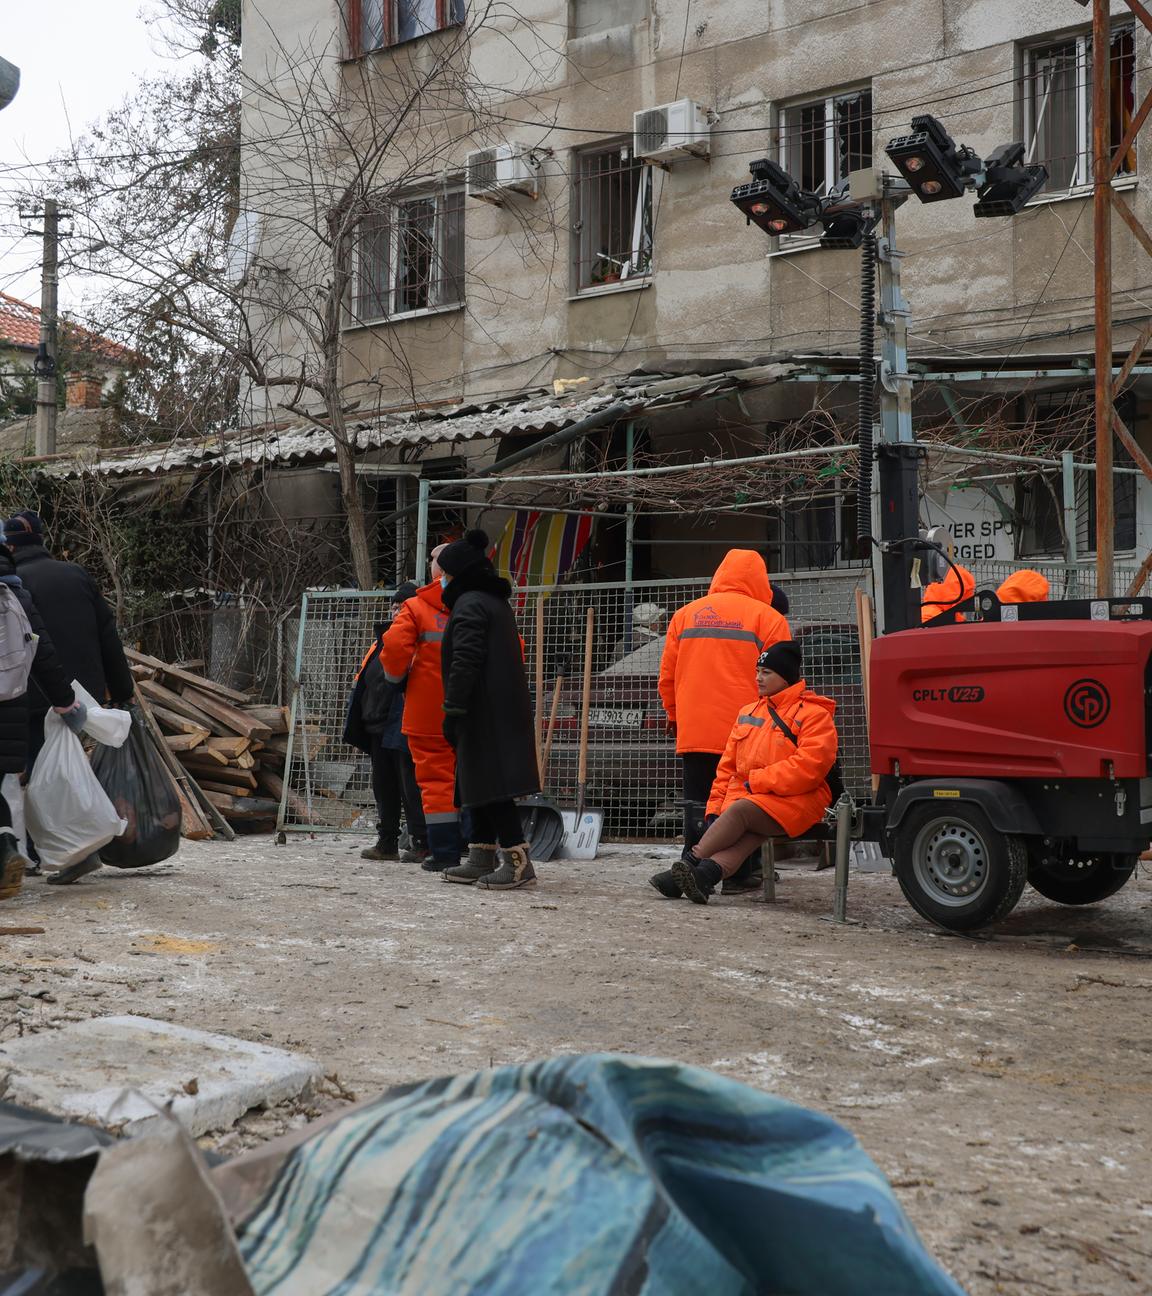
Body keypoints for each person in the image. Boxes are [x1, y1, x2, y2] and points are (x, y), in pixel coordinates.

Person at [652, 640, 838, 905]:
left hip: (800, 799)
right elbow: (727, 768)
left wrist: (758, 781)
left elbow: (810, 766)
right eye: (757, 671)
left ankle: (688, 862)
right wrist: (715, 809)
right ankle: (705, 875)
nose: (758, 678)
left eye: (767, 673)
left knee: (741, 811)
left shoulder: (814, 714)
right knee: (749, 828)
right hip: (759, 799)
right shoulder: (747, 711)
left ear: (786, 677)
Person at [3, 511, 133, 883]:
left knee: (28, 775)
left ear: (9, 544)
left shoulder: (13, 583)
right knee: (60, 772)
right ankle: (65, 850)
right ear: (42, 539)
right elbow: (108, 634)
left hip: (30, 693)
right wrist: (122, 690)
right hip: (78, 694)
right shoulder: (76, 574)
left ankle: (40, 852)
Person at [658, 549, 790, 894]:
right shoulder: (769, 618)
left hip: (696, 729)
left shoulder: (684, 616)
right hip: (749, 733)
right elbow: (781, 680)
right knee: (743, 804)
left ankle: (690, 863)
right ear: (761, 581)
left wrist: (674, 716)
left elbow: (667, 677)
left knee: (699, 802)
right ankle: (738, 874)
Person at [436, 530, 541, 891]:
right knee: (475, 780)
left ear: (459, 574)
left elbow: (466, 659)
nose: (441, 581)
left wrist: (453, 705)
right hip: (496, 706)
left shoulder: (470, 604)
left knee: (492, 783)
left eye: (445, 574)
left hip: (482, 708)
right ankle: (480, 854)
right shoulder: (491, 602)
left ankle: (516, 860)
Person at [0, 544, 86, 900]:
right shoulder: (15, 594)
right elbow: (43, 654)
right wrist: (66, 702)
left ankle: (6, 847)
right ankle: (6, 847)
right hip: (10, 704)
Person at [381, 545, 463, 871]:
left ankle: (443, 852)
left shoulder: (415, 607)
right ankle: (480, 846)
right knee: (471, 776)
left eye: (431, 559)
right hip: (473, 709)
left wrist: (397, 680)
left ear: (439, 570)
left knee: (435, 781)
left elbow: (394, 651)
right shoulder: (481, 603)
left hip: (427, 711)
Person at [344, 583, 428, 863]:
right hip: (379, 725)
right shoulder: (382, 641)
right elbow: (366, 682)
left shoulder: (419, 641)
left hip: (405, 725)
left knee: (411, 787)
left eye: (401, 606)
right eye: (393, 606)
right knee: (384, 786)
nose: (395, 611)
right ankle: (387, 840)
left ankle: (421, 842)